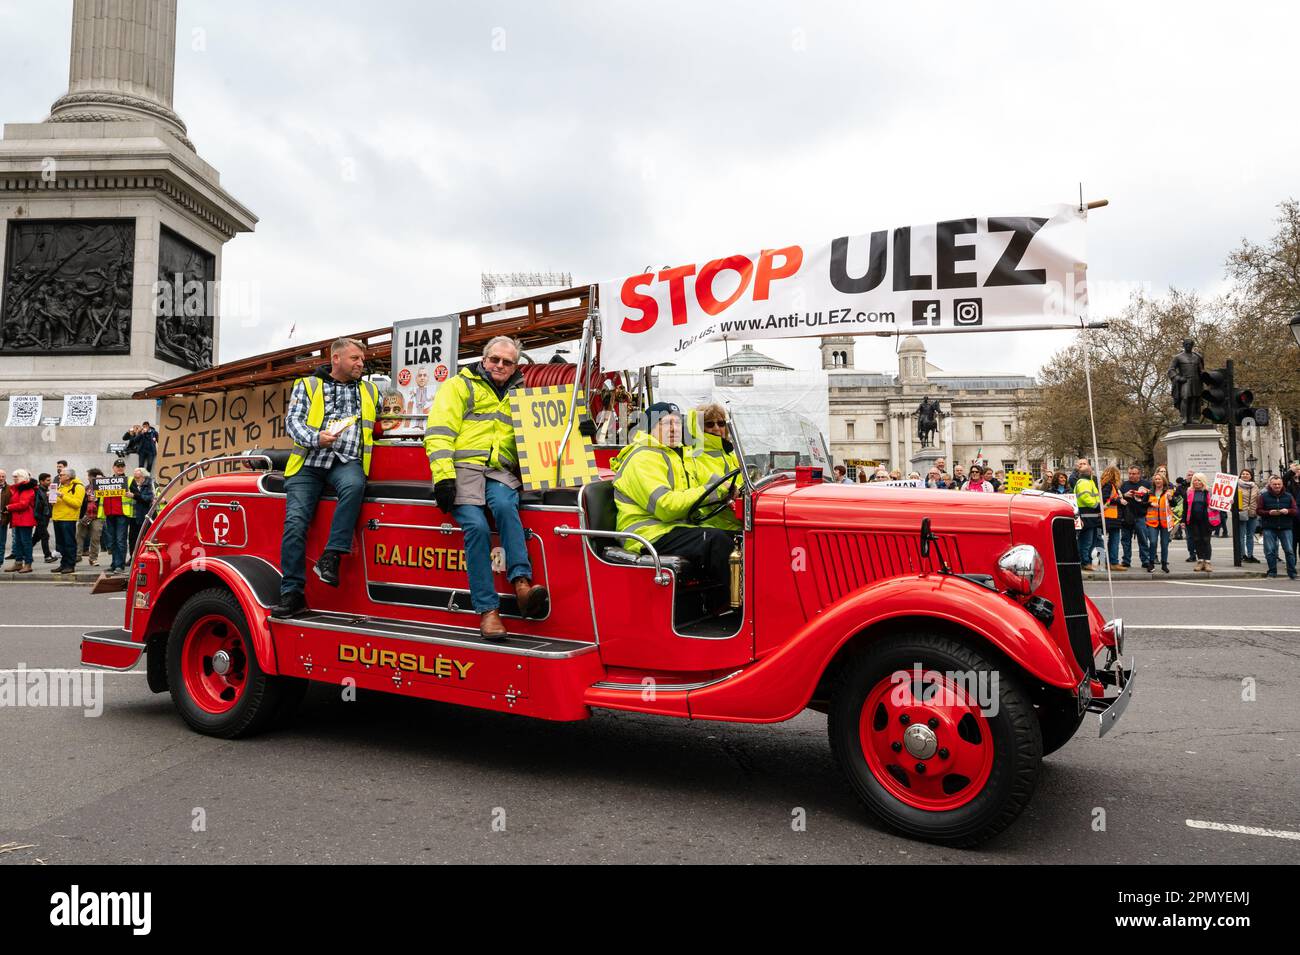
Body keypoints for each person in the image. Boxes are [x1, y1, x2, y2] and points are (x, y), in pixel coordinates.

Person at [424, 335, 548, 639]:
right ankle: (488, 611)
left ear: (515, 366)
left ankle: (521, 585)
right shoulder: (458, 386)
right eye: (494, 359)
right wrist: (443, 478)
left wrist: (580, 433)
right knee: (477, 528)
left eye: (507, 362)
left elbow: (541, 438)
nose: (499, 366)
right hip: (462, 472)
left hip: (499, 473)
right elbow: (438, 434)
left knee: (506, 507)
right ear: (483, 359)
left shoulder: (522, 394)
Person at [273, 337, 382, 617]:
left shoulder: (371, 391)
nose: (361, 363)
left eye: (362, 359)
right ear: (336, 359)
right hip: (309, 461)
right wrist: (315, 438)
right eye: (355, 358)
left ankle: (331, 557)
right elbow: (293, 423)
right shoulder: (307, 385)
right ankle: (292, 593)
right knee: (295, 522)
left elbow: (383, 421)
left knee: (355, 486)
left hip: (346, 461)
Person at [611, 402, 737, 594]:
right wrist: (714, 489)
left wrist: (732, 489)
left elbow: (709, 482)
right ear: (650, 427)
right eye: (666, 423)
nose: (674, 429)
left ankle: (735, 602)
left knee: (741, 539)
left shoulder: (678, 456)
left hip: (674, 528)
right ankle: (746, 608)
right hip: (648, 534)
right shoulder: (643, 458)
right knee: (716, 541)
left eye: (678, 423)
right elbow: (666, 507)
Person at [686, 403, 743, 532]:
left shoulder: (729, 454)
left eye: (721, 423)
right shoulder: (693, 457)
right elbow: (713, 493)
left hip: (739, 519)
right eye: (710, 424)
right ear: (698, 428)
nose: (717, 428)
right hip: (715, 525)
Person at [1256, 474, 1297, 579]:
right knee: (1270, 551)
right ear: (1270, 484)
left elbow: (1295, 510)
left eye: (1279, 484)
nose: (1277, 486)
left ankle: (1292, 573)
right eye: (1275, 484)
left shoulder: (1288, 496)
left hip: (1285, 527)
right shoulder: (1263, 496)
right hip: (1269, 527)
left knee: (1289, 550)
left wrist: (1287, 511)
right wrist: (1269, 512)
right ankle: (1272, 572)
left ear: (1282, 484)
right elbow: (1259, 511)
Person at [98, 459, 132, 575]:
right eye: (118, 466)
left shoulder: (129, 480)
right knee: (112, 541)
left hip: (122, 514)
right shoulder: (106, 481)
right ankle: (114, 564)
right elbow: (101, 497)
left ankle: (119, 565)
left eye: (122, 466)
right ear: (113, 467)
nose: (120, 468)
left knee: (120, 540)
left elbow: (135, 495)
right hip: (109, 514)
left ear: (124, 468)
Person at [51, 467, 85, 576]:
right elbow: (57, 503)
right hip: (57, 517)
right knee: (61, 544)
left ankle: (70, 565)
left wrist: (62, 495)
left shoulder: (78, 487)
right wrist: (52, 499)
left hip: (68, 518)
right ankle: (63, 564)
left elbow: (77, 504)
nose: (59, 476)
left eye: (61, 475)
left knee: (69, 543)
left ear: (68, 476)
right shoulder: (61, 486)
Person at [1183, 472, 1219, 572]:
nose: (1197, 482)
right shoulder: (1189, 492)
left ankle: (1207, 562)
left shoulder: (1209, 492)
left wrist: (1229, 503)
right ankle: (1200, 561)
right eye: (1195, 480)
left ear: (1203, 481)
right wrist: (1183, 521)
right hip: (1193, 520)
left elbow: (1218, 504)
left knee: (1206, 540)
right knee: (1197, 540)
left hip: (1206, 520)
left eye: (1199, 480)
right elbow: (1185, 507)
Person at [2, 470, 37, 574]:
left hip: (25, 520)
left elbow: (23, 504)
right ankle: (18, 563)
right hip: (18, 519)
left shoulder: (27, 489)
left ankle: (28, 564)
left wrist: (8, 507)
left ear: (23, 477)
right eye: (13, 477)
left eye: (16, 476)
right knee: (18, 543)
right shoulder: (19, 489)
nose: (14, 478)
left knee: (26, 542)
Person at [1119, 466, 1152, 570]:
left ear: (1139, 474)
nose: (1131, 476)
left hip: (1140, 515)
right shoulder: (1124, 485)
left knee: (1143, 539)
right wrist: (1125, 495)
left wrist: (1143, 496)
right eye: (1130, 474)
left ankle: (1145, 561)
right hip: (1127, 516)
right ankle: (1126, 561)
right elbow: (1118, 498)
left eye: (1133, 474)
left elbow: (1151, 499)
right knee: (1125, 540)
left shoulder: (1146, 484)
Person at [1145, 472, 1175, 574]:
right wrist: (1150, 503)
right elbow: (1143, 503)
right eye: (1156, 479)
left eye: (1159, 479)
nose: (1157, 481)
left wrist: (1171, 499)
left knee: (1164, 544)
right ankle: (1151, 562)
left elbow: (1174, 503)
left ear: (1163, 481)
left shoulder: (1168, 492)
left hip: (1165, 522)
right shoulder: (1149, 492)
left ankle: (1164, 564)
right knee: (1153, 542)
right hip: (1152, 521)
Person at [1074, 463, 1101, 570]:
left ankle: (1087, 561)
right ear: (1089, 472)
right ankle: (1085, 562)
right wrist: (1098, 506)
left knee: (1092, 541)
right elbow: (1086, 497)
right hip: (1087, 515)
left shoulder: (1088, 482)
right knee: (1087, 541)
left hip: (1091, 515)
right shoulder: (1084, 482)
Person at [1098, 465, 1123, 569]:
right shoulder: (1109, 485)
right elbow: (1105, 498)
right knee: (1114, 540)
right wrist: (1119, 500)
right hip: (1111, 516)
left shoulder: (1105, 484)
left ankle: (1106, 561)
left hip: (1109, 516)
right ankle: (1113, 562)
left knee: (1104, 539)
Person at [77, 467, 103, 567]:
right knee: (79, 536)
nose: (88, 478)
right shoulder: (86, 488)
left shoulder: (103, 488)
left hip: (97, 516)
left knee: (95, 538)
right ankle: (77, 556)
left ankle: (93, 559)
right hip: (86, 515)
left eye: (89, 476)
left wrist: (99, 498)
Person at [127, 467, 154, 555]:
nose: (136, 480)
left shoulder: (149, 485)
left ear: (144, 477)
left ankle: (147, 556)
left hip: (144, 516)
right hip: (133, 516)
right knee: (132, 539)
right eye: (135, 477)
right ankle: (133, 558)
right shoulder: (132, 485)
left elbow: (147, 498)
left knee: (146, 538)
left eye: (138, 477)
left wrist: (134, 496)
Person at [1236, 468, 1260, 563]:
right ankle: (1242, 555)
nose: (1245, 475)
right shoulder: (1236, 485)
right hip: (1242, 513)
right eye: (1243, 474)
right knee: (1241, 535)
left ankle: (1250, 555)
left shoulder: (1255, 486)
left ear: (1251, 476)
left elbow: (1258, 499)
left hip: (1253, 513)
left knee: (1250, 535)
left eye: (1247, 474)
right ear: (1240, 475)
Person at [33, 472, 55, 563]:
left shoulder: (46, 490)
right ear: (41, 481)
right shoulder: (39, 491)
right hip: (41, 517)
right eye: (48, 480)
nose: (50, 482)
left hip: (45, 517)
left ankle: (22, 552)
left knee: (36, 537)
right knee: (45, 536)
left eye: (50, 480)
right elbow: (38, 506)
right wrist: (39, 517)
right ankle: (47, 556)